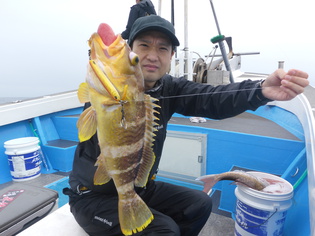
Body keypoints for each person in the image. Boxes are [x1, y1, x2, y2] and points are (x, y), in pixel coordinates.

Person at [65, 15, 309, 236]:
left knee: (199, 204)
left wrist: (260, 91)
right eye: (144, 46)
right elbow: (102, 81)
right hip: (92, 196)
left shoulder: (169, 87)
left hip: (138, 187)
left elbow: (213, 98)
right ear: (131, 52)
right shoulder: (103, 89)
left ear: (171, 56)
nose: (153, 55)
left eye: (163, 48)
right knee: (165, 231)